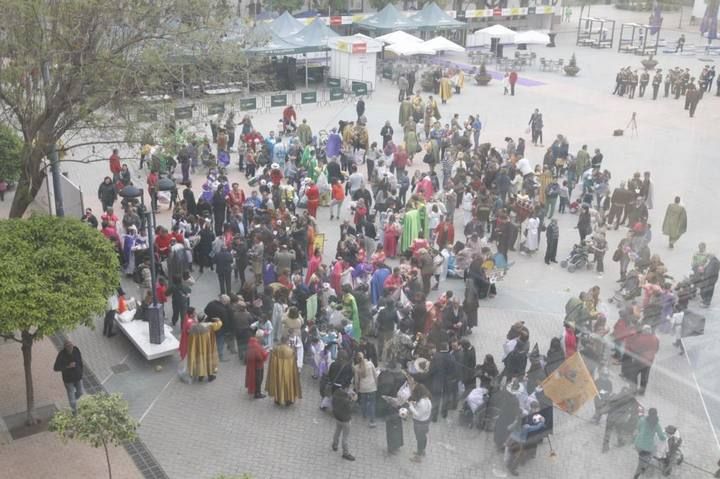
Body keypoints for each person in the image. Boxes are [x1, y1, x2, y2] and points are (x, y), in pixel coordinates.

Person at [266, 337, 302, 406]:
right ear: (287, 341)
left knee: (278, 384)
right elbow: (294, 361)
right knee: (287, 385)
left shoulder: (276, 349)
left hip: (278, 371)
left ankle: (277, 399)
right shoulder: (290, 351)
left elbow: (272, 359)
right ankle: (288, 400)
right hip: (288, 371)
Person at [625, 325, 659, 395]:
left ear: (643, 331)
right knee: (645, 376)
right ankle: (642, 391)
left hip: (639, 360)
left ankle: (633, 390)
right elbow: (656, 350)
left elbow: (634, 349)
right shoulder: (656, 338)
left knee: (633, 375)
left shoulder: (639, 339)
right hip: (649, 361)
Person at [633, 408, 667, 478]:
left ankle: (643, 465)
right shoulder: (656, 424)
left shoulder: (642, 420)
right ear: (656, 414)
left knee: (642, 458)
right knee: (651, 453)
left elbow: (638, 428)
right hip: (646, 447)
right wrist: (665, 436)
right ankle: (637, 474)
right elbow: (662, 437)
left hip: (637, 443)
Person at [53, 340, 84, 413]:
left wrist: (81, 371)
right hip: (68, 379)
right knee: (71, 396)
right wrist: (68, 366)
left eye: (71, 345)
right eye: (68, 346)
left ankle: (72, 402)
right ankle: (74, 412)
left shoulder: (76, 350)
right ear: (65, 347)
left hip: (78, 377)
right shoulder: (61, 355)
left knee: (80, 392)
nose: (70, 347)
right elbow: (56, 368)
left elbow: (80, 361)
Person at [408, 383, 432, 462]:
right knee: (423, 437)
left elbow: (418, 414)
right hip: (426, 422)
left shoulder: (422, 402)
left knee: (419, 439)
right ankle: (422, 451)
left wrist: (411, 406)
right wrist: (415, 404)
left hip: (419, 424)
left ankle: (418, 456)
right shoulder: (427, 399)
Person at [353, 352, 378, 427]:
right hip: (372, 387)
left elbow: (357, 380)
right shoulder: (370, 364)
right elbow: (375, 375)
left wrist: (357, 389)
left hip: (363, 388)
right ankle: (372, 421)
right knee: (372, 404)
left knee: (363, 402)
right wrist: (376, 385)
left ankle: (364, 415)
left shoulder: (356, 367)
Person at [331, 386, 356, 461]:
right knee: (345, 437)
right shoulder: (346, 401)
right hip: (345, 420)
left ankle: (335, 445)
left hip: (337, 417)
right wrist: (353, 400)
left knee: (337, 431)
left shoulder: (335, 394)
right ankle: (345, 453)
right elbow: (350, 410)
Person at [245, 330, 269, 398]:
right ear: (260, 337)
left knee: (254, 378)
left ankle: (255, 390)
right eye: (263, 337)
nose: (263, 338)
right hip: (258, 366)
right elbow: (261, 357)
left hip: (252, 365)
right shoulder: (257, 346)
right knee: (258, 379)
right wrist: (267, 352)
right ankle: (257, 393)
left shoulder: (251, 342)